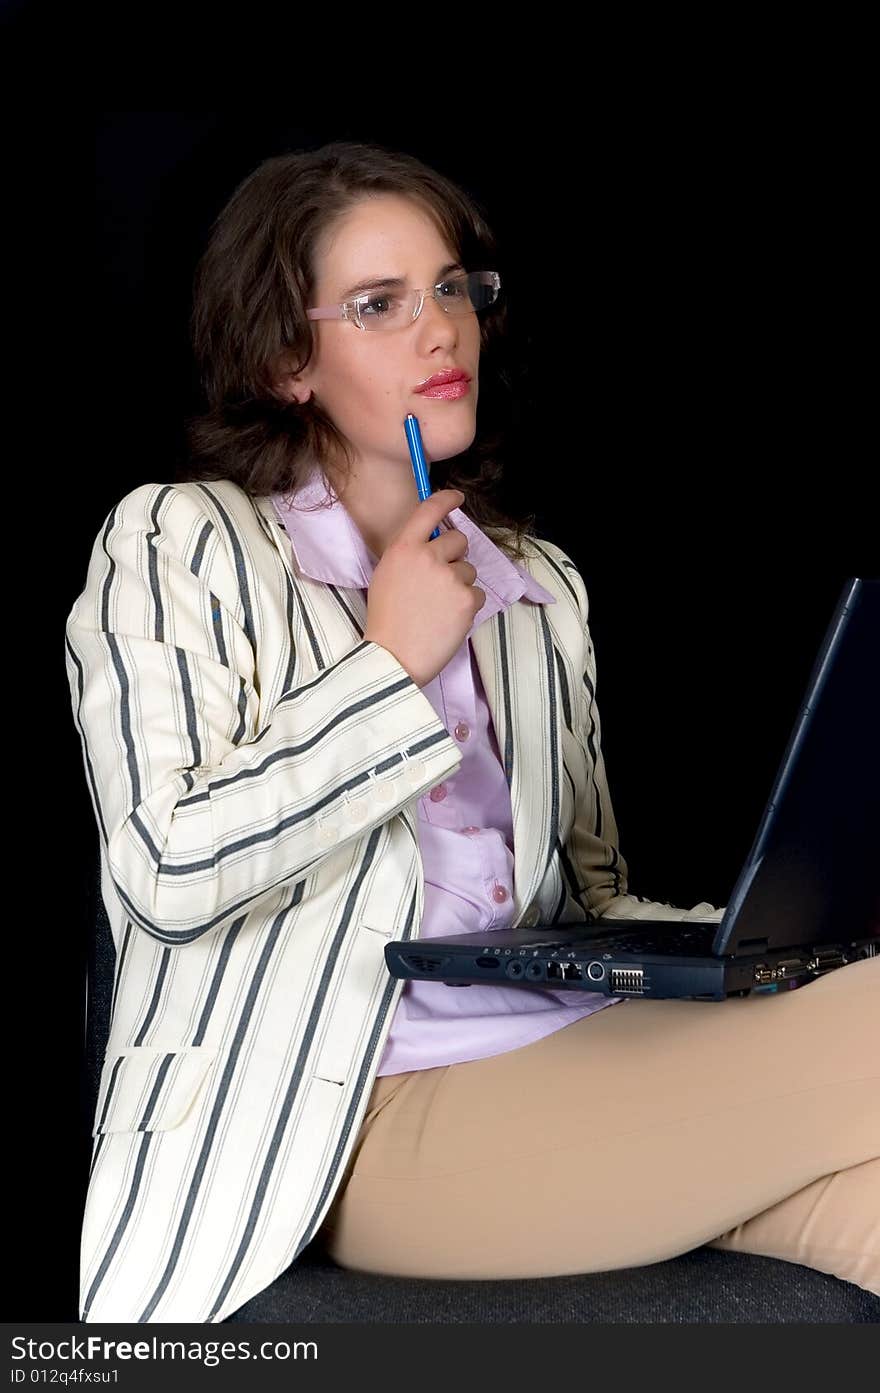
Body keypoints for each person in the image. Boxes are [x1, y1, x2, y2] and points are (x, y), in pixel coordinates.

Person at [66, 140, 879, 1324]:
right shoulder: (180, 542)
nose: (439, 330)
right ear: (288, 358)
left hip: (581, 1057)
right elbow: (166, 872)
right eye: (380, 304)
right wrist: (390, 668)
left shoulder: (536, 587)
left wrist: (791, 941)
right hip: (352, 1114)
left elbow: (582, 903)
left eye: (452, 288)